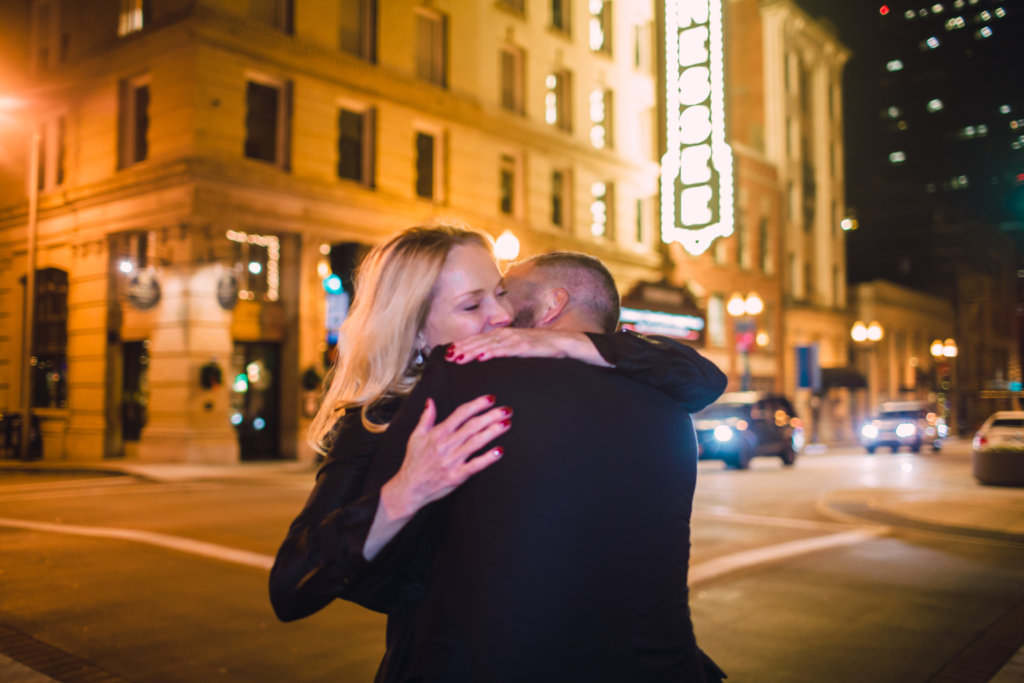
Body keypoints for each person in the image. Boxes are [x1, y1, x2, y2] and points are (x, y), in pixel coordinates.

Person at [269, 227, 725, 676]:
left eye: (500, 294)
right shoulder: (381, 418)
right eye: (472, 304)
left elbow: (703, 378)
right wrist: (405, 493)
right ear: (415, 328)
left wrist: (569, 341)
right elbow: (293, 584)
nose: (502, 316)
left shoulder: (517, 380)